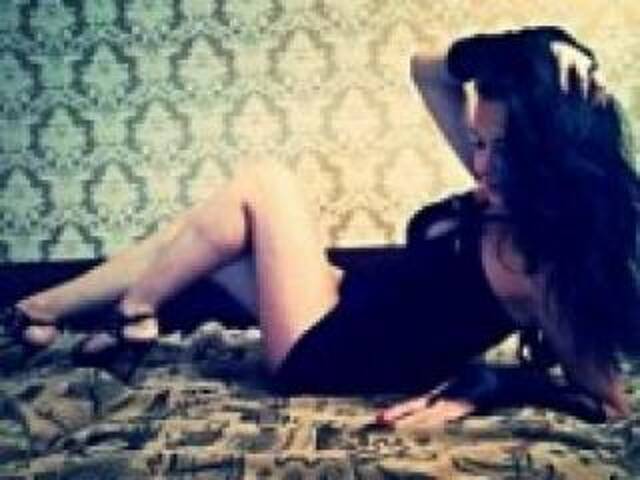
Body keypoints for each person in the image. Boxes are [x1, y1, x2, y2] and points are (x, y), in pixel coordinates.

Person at [2, 26, 639, 429]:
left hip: (327, 349)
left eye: (503, 149)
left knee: (265, 183)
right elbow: (426, 69)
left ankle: (135, 313)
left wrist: (489, 385)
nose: (480, 165)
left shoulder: (545, 261)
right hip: (342, 298)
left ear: (550, 153)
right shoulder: (502, 193)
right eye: (479, 142)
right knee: (205, 235)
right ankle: (39, 311)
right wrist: (526, 49)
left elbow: (611, 404)